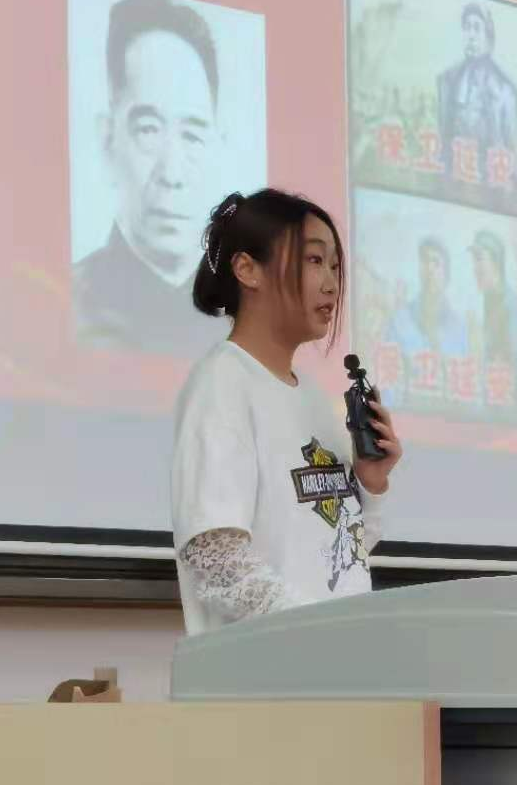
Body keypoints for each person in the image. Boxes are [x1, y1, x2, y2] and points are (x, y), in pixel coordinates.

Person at [171, 189, 403, 635]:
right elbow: (217, 561)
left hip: (334, 663)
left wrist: (371, 485)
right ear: (247, 269)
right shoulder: (222, 383)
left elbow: (339, 554)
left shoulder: (311, 395)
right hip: (273, 671)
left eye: (334, 266)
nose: (331, 283)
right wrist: (314, 635)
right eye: (314, 260)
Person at [72, 0, 225, 355]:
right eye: (148, 130)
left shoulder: (253, 324)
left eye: (192, 135)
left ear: (218, 147)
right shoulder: (64, 304)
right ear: (108, 140)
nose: (172, 174)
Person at [437, 0, 517, 215]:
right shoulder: (449, 82)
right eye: (467, 27)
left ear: (489, 37)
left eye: (477, 28)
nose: (471, 35)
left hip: (492, 198)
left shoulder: (504, 92)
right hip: (456, 193)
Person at [380, 239, 469, 409]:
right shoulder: (399, 321)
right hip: (406, 417)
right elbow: (387, 386)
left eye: (436, 262)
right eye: (425, 261)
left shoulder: (459, 328)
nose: (429, 269)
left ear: (447, 274)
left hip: (449, 417)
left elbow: (464, 388)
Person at [469, 230, 517, 412]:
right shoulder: (488, 302)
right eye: (473, 260)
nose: (475, 268)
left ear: (496, 262)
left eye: (479, 259)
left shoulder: (511, 307)